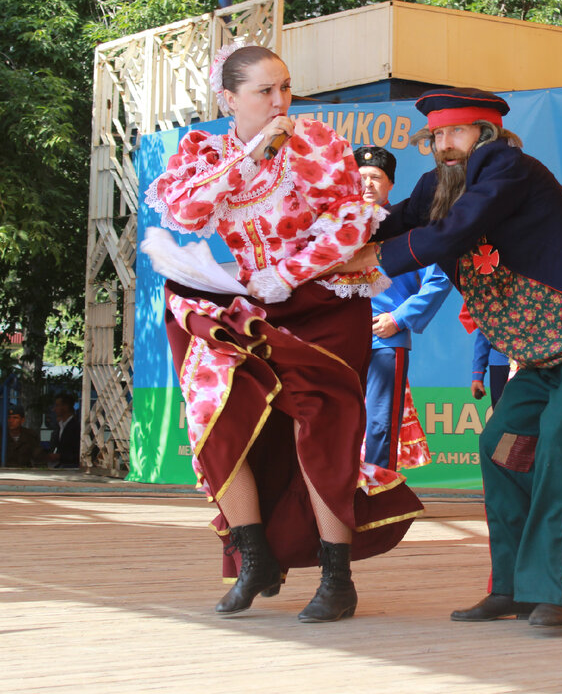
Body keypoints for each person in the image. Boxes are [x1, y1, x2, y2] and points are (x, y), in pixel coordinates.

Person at [343, 87, 562, 629]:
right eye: (437, 136)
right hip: (544, 350)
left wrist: (375, 256)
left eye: (455, 133)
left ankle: (558, 593)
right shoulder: (437, 186)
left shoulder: (507, 167)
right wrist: (324, 240)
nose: (444, 145)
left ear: (485, 135)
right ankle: (513, 588)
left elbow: (457, 230)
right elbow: (390, 223)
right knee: (500, 446)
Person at [145, 42, 421, 622]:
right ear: (229, 99)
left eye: (286, 88)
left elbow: (353, 222)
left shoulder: (316, 141)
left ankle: (337, 575)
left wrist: (287, 272)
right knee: (214, 416)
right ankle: (254, 557)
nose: (280, 101)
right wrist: (250, 154)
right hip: (252, 303)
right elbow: (188, 212)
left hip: (324, 300)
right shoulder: (205, 151)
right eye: (264, 91)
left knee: (322, 426)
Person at [355, 145, 452, 470]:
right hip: (338, 339)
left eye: (376, 177)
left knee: (380, 424)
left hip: (384, 339)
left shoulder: (408, 229)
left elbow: (439, 279)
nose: (368, 184)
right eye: (361, 177)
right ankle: (339, 496)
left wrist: (399, 318)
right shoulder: (335, 230)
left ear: (391, 184)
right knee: (339, 420)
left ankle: (377, 493)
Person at [471, 331, 510, 408]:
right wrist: (477, 377)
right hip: (499, 366)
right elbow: (483, 337)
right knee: (500, 414)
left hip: (529, 366)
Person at [47, 393, 80, 468]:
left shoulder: (76, 427)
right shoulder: (59, 426)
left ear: (65, 407)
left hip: (72, 467)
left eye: (57, 405)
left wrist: (60, 456)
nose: (54, 409)